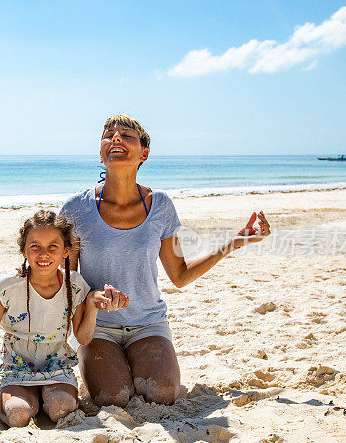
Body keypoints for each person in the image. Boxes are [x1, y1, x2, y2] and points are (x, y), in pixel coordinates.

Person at [60, 114, 271, 407]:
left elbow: (180, 275)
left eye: (127, 136)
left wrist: (234, 241)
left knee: (163, 394)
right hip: (96, 327)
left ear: (144, 154)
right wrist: (85, 310)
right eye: (108, 136)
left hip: (148, 323)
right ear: (100, 153)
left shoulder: (161, 205)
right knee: (113, 398)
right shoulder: (75, 209)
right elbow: (66, 283)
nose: (116, 139)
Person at [0, 210, 126, 427]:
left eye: (52, 246)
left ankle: (46, 398)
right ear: (24, 251)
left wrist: (92, 306)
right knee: (18, 415)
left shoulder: (75, 285)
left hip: (58, 368)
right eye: (35, 246)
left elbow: (82, 338)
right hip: (17, 370)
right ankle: (28, 399)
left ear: (66, 251)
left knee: (61, 408)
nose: (43, 254)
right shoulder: (6, 288)